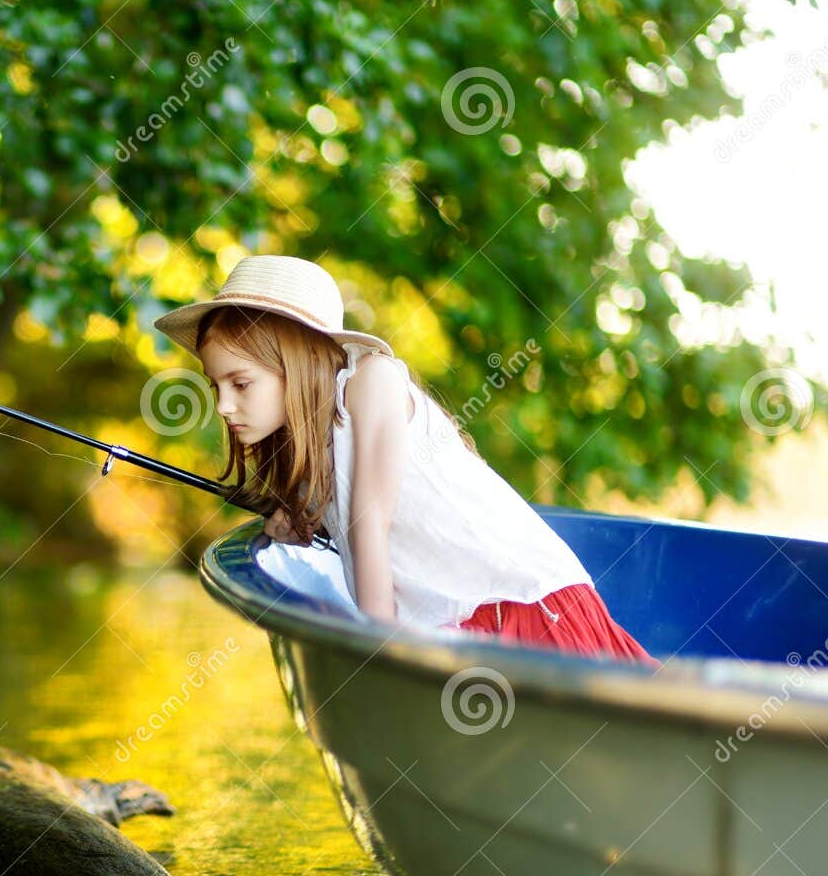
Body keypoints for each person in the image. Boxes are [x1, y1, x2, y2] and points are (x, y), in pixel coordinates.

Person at [152, 254, 659, 666]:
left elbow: (370, 525)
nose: (221, 405)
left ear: (298, 364)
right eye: (215, 385)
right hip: (460, 630)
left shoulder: (372, 381)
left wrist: (382, 658)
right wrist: (293, 521)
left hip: (524, 612)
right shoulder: (316, 448)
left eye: (240, 384)